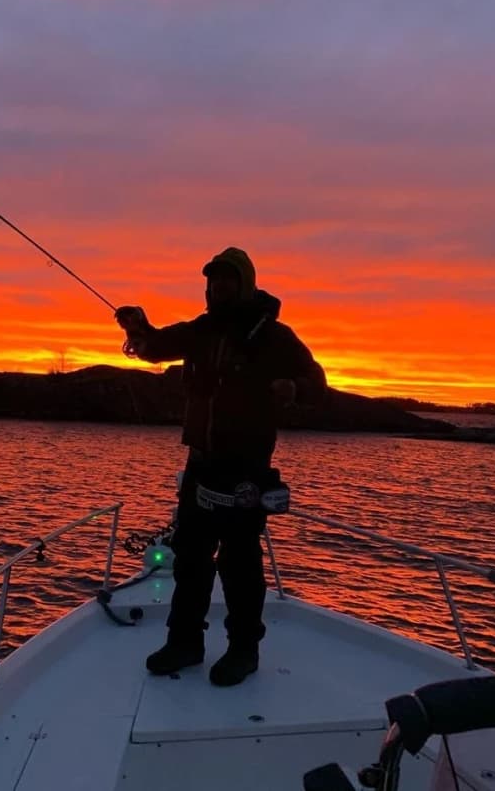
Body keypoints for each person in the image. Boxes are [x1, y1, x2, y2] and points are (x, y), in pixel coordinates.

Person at [115, 247, 327, 687]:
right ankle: (185, 643)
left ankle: (243, 650)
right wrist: (138, 327)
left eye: (226, 281)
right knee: (190, 559)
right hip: (201, 468)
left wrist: (294, 387)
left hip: (246, 470)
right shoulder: (201, 331)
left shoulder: (274, 337)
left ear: (245, 285)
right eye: (211, 281)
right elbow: (156, 347)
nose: (216, 288)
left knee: (240, 564)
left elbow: (318, 384)